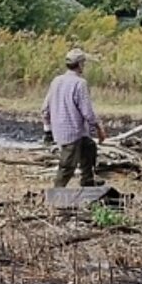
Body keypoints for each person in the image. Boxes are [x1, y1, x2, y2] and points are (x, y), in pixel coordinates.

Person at [42, 47, 104, 188]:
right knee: (67, 166)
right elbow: (87, 112)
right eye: (84, 63)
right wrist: (99, 128)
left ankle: (88, 181)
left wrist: (48, 131)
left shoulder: (56, 81)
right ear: (80, 64)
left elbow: (45, 109)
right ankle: (56, 193)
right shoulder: (80, 83)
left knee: (89, 147)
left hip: (65, 131)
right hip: (72, 132)